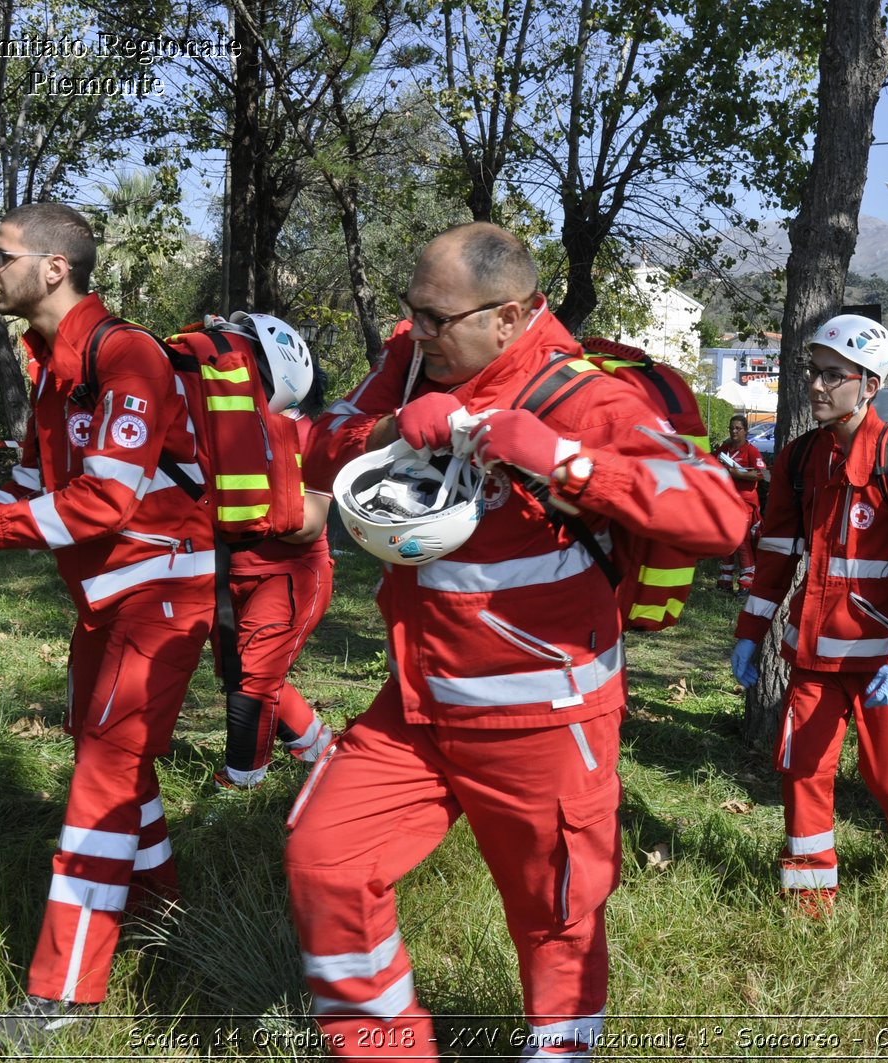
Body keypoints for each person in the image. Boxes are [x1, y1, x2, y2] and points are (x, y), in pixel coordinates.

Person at [285, 222, 746, 1059]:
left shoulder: (586, 397)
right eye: (411, 312)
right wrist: (395, 427)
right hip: (418, 705)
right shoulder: (415, 361)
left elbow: (719, 512)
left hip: (545, 718)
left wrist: (566, 462)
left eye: (435, 317)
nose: (415, 331)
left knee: (557, 925)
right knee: (325, 859)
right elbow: (320, 445)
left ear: (510, 316)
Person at [0, 203, 215, 1052]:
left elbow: (103, 503)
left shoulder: (124, 354)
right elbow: (32, 491)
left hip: (159, 598)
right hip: (111, 596)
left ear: (55, 269)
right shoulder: (52, 365)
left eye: (1, 256)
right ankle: (167, 916)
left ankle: (63, 997)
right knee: (113, 763)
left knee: (99, 786)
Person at [728, 315, 888, 913]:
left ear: (869, 385)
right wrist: (751, 632)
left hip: (884, 663)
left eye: (834, 376)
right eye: (813, 373)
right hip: (813, 656)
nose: (817, 387)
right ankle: (809, 902)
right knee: (802, 771)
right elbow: (775, 554)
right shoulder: (800, 460)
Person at [213, 381, 337, 789]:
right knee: (241, 674)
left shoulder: (309, 435)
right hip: (229, 573)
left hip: (289, 576)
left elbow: (308, 526)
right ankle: (318, 746)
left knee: (252, 680)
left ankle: (241, 782)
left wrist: (232, 512)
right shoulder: (217, 428)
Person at [714, 413, 767, 594]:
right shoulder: (725, 449)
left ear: (745, 431)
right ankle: (724, 583)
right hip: (725, 501)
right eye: (731, 428)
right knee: (726, 541)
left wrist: (738, 474)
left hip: (744, 502)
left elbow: (764, 475)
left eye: (738, 428)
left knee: (742, 541)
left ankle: (747, 584)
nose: (734, 431)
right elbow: (711, 462)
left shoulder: (751, 451)